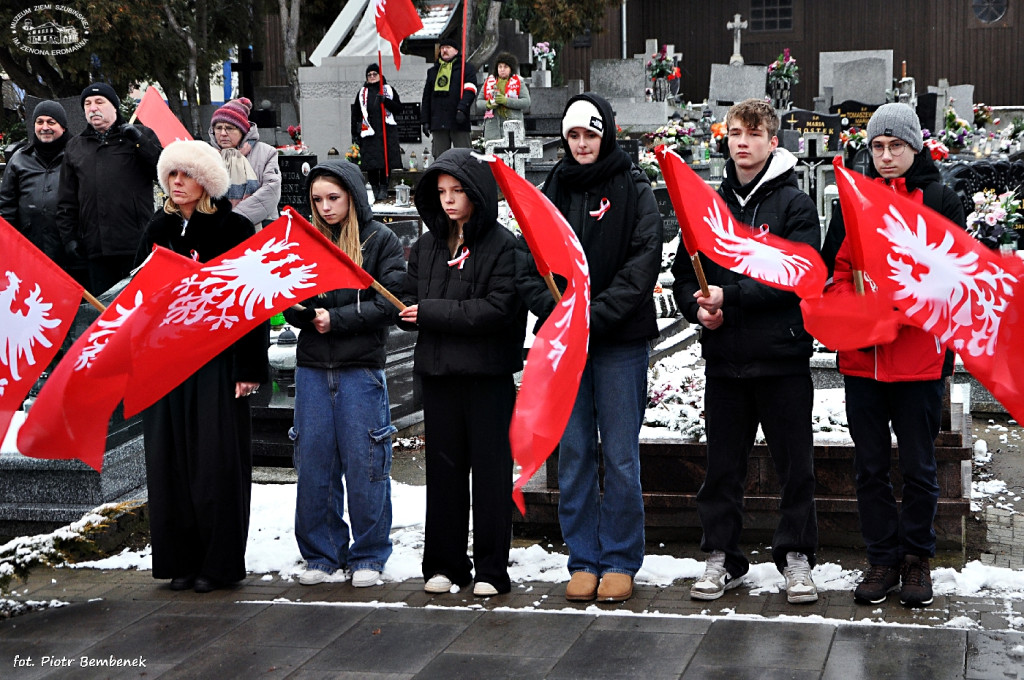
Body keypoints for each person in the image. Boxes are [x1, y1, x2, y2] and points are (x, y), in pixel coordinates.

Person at [671, 98, 820, 604]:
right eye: (735, 132)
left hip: (782, 360)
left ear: (772, 141)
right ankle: (722, 556)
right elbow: (681, 276)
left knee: (794, 466)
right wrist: (699, 310)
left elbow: (796, 277)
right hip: (727, 362)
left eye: (754, 134)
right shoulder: (709, 205)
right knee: (723, 468)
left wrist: (728, 298)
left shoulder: (794, 206)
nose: (742, 142)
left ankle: (796, 556)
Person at [516, 93, 662, 603]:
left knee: (619, 454)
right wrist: (558, 313)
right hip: (565, 345)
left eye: (590, 135)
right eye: (574, 136)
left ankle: (620, 558)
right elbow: (525, 259)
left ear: (607, 135)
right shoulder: (550, 188)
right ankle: (583, 557)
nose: (582, 145)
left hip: (618, 342)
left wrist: (591, 319)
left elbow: (643, 260)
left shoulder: (632, 186)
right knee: (575, 451)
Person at [823, 103, 965, 608]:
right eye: (878, 147)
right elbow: (832, 272)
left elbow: (952, 276)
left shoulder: (942, 200)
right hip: (864, 362)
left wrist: (899, 308)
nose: (885, 156)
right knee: (870, 466)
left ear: (914, 148)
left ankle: (917, 560)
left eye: (896, 146)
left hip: (919, 360)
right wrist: (851, 309)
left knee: (921, 468)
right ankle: (881, 558)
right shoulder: (851, 203)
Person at [135, 140, 268, 594]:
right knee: (172, 463)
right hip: (168, 364)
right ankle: (181, 561)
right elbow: (139, 299)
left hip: (219, 363)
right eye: (171, 175)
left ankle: (219, 563)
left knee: (215, 464)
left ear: (206, 182)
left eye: (185, 175)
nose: (176, 183)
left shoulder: (233, 228)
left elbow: (254, 302)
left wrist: (249, 367)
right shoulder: (157, 229)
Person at [398, 148, 525, 597]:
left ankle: (492, 568)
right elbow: (408, 295)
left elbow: (497, 308)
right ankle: (445, 563)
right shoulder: (428, 245)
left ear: (477, 193)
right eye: (442, 192)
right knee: (445, 473)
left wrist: (428, 311)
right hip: (439, 375)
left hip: (487, 377)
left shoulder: (503, 246)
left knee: (491, 476)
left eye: (458, 191)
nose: (449, 201)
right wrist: (401, 307)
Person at [283, 159, 406, 588]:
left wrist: (334, 319)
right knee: (314, 464)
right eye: (317, 200)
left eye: (333, 198)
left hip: (360, 368)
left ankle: (369, 553)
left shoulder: (380, 240)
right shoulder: (306, 241)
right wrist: (298, 312)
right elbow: (286, 295)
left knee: (367, 463)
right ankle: (321, 552)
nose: (325, 207)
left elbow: (390, 303)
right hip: (313, 367)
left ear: (352, 195)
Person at [58, 83, 162, 295]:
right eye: (87, 104)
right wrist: (69, 238)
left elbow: (162, 172)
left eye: (99, 102)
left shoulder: (139, 136)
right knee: (104, 314)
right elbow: (67, 200)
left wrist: (139, 141)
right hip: (96, 249)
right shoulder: (75, 146)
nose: (93, 108)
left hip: (135, 245)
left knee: (137, 310)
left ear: (114, 107)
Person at [0, 100, 72, 271]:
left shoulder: (76, 155)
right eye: (39, 122)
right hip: (31, 250)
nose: (45, 127)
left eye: (51, 122)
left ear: (62, 126)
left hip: (70, 252)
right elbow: (6, 206)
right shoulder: (19, 159)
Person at [207, 97, 282, 228]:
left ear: (243, 131)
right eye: (218, 128)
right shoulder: (205, 154)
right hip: (214, 229)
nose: (223, 133)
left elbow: (271, 190)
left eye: (230, 128)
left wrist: (234, 219)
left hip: (258, 227)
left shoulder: (266, 153)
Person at [351, 64, 403, 201]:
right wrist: (354, 134)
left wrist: (386, 101)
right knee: (372, 162)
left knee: (386, 161)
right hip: (369, 132)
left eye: (375, 74)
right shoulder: (362, 93)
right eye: (370, 75)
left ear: (380, 75)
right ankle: (374, 187)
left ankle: (384, 186)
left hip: (386, 131)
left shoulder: (388, 90)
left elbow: (398, 108)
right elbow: (355, 114)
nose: (372, 76)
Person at [421, 37, 478, 160]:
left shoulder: (466, 68)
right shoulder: (433, 71)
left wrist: (462, 109)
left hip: (458, 120)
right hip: (438, 121)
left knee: (464, 156)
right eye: (442, 48)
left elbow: (471, 90)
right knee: (440, 158)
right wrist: (425, 120)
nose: (444, 50)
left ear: (456, 51)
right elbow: (426, 97)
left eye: (448, 48)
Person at [474, 52, 531, 142]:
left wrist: (506, 101)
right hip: (492, 128)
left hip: (513, 126)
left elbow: (526, 102)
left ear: (511, 69)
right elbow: (479, 102)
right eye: (500, 67)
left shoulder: (519, 81)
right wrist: (488, 104)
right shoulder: (489, 81)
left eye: (505, 67)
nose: (502, 69)